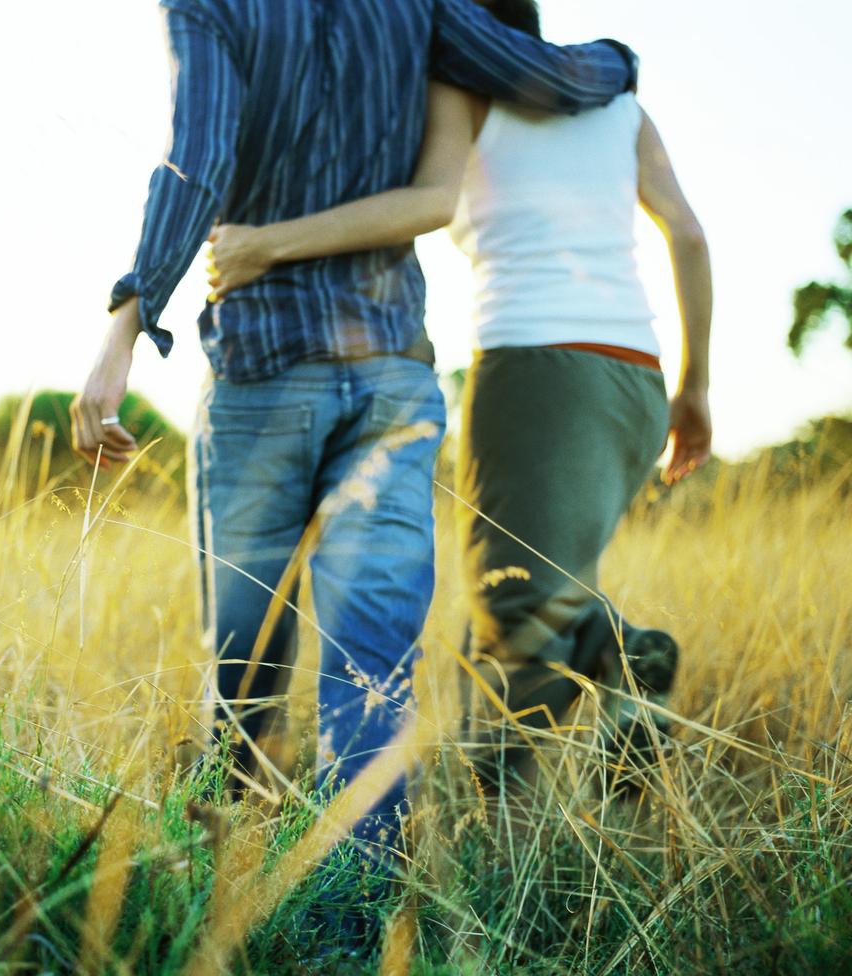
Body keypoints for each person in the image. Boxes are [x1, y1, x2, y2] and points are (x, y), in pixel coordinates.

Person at [70, 0, 639, 862]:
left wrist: (127, 322)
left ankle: (229, 887)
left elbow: (200, 156)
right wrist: (616, 61)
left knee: (243, 673)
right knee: (369, 676)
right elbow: (544, 74)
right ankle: (355, 926)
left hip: (264, 374)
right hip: (390, 379)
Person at [205, 0, 712, 789]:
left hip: (538, 369)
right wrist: (695, 386)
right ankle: (592, 705)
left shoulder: (460, 90)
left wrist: (266, 243)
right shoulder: (616, 100)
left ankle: (564, 726)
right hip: (636, 379)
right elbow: (686, 233)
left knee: (508, 596)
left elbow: (431, 201)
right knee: (540, 581)